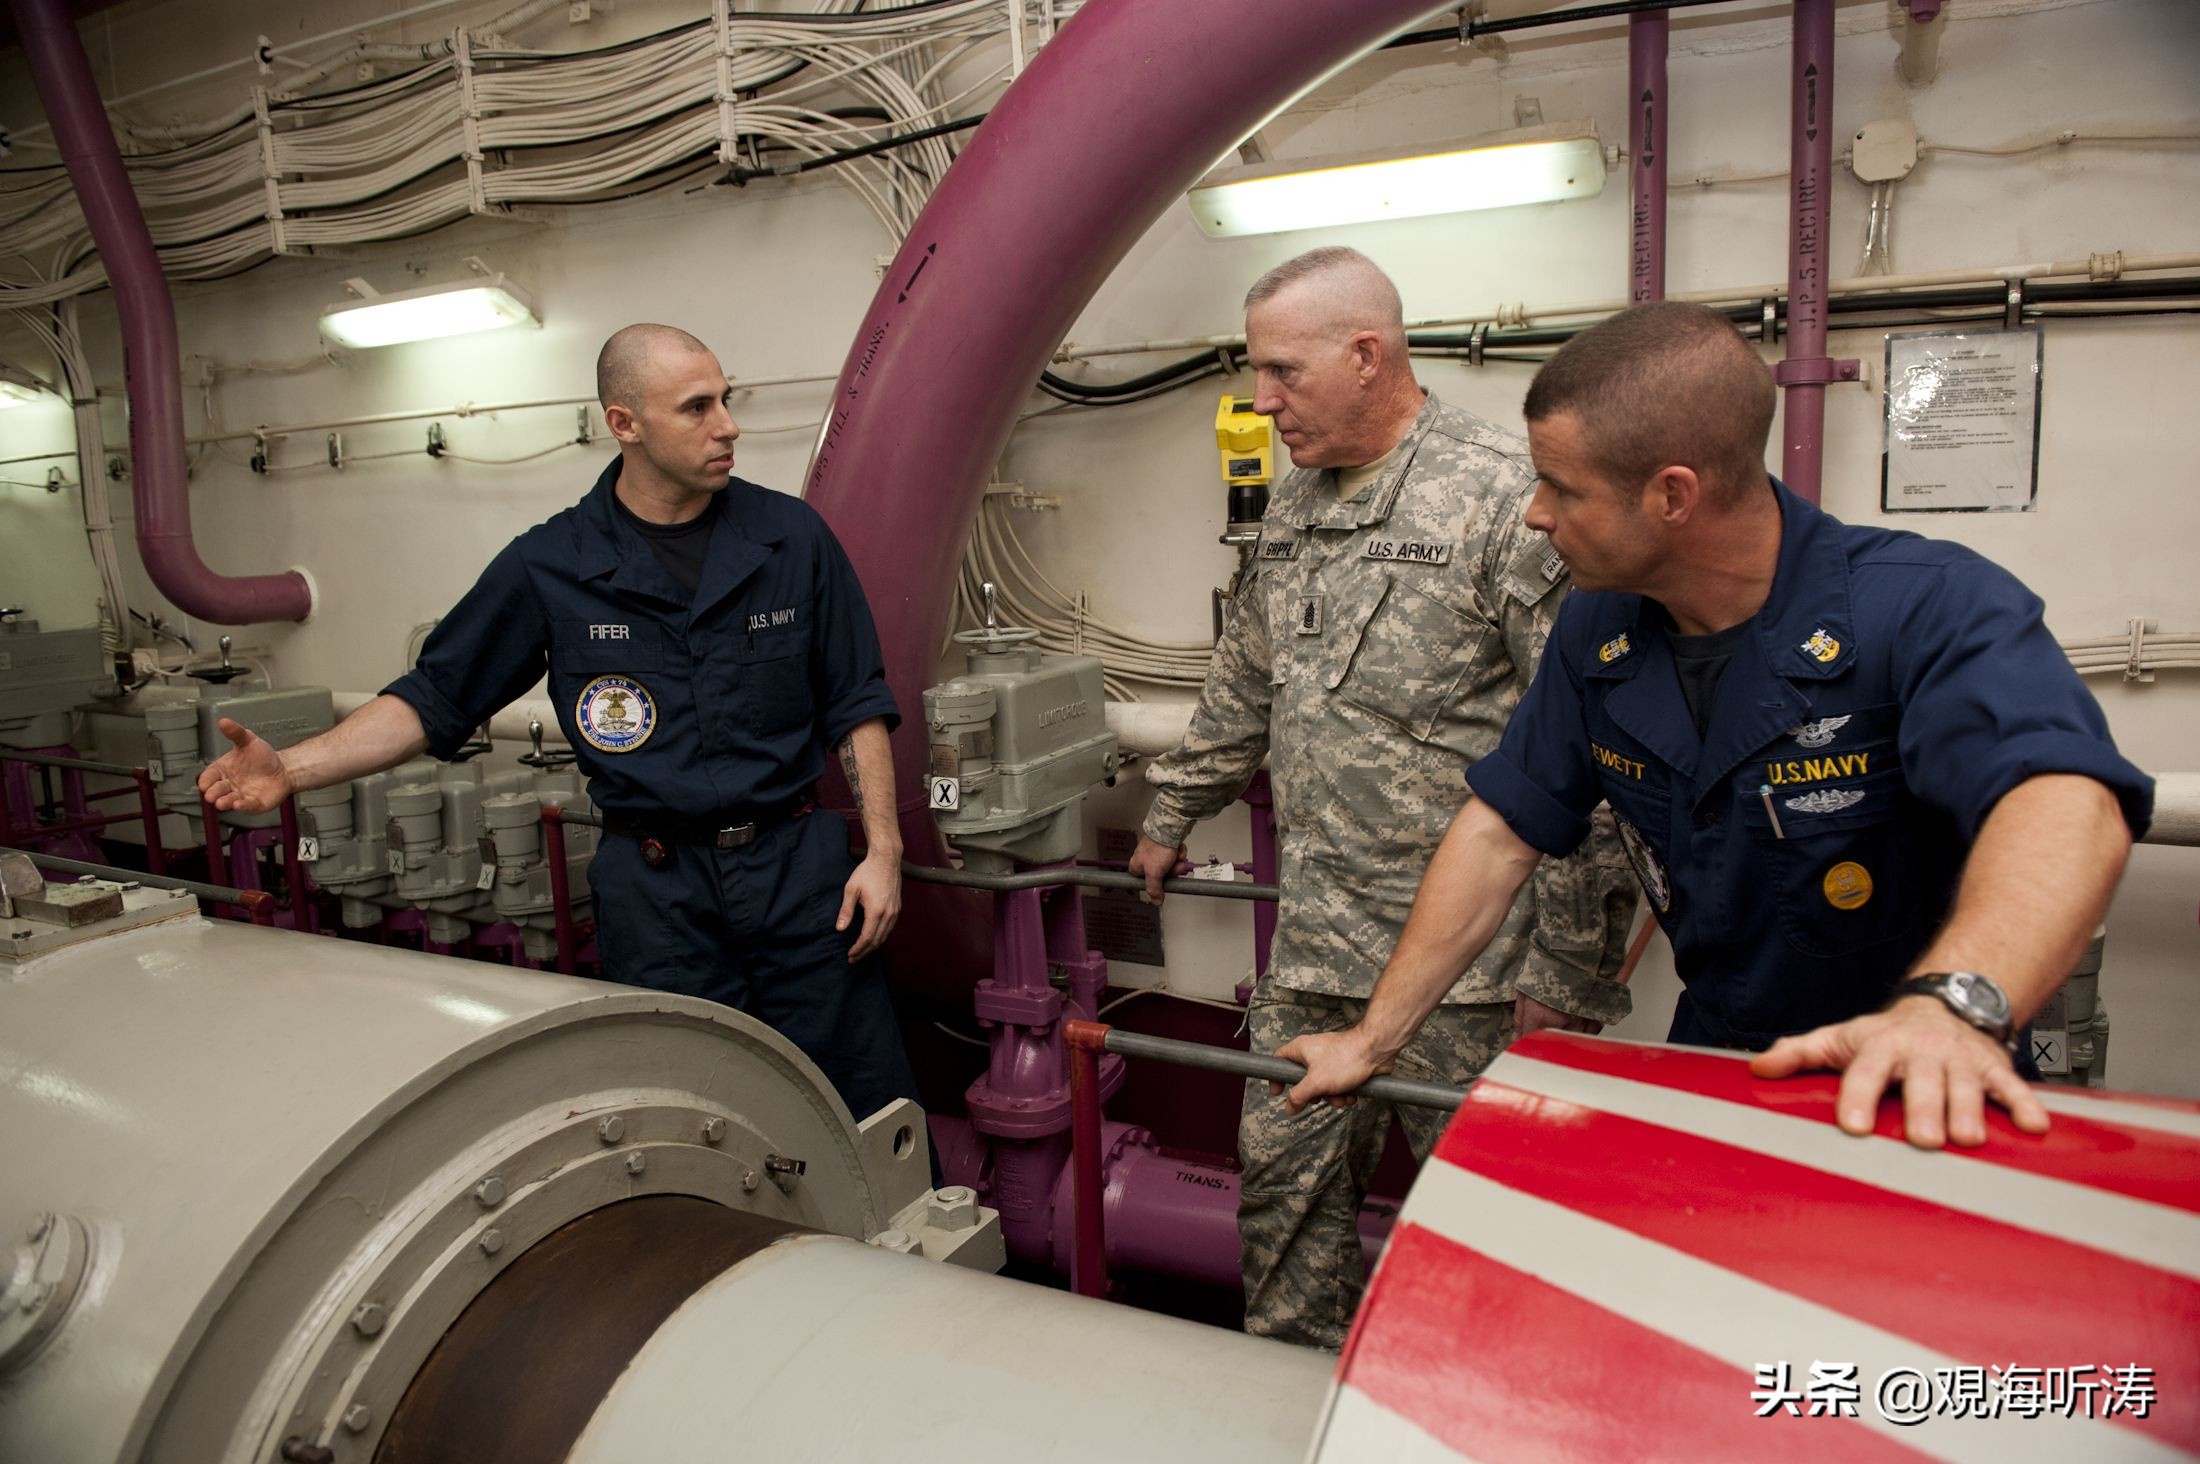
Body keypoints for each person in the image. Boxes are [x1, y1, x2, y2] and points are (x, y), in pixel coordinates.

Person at [1277, 300, 2153, 1151]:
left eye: (1563, 488)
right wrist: (1374, 1037)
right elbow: (1503, 828)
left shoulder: (1925, 607)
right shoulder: (1604, 629)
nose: (1537, 514)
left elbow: (2067, 801)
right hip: (1723, 1071)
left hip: (1918, 1085)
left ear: (1673, 496)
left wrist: (1954, 1008)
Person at [198, 323, 918, 1122]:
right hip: (657, 891)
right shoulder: (552, 566)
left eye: (727, 399)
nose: (728, 425)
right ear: (624, 424)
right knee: (691, 1111)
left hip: (799, 875)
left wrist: (884, 851)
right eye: (697, 407)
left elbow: (857, 701)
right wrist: (290, 770)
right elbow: (434, 697)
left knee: (863, 1101)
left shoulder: (793, 540)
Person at [1126, 248, 1638, 1350]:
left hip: (1474, 978)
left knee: (1498, 1243)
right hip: (1315, 953)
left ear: (1368, 356)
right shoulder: (1295, 508)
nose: (1260, 403)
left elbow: (1595, 760)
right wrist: (1172, 812)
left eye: (1281, 372)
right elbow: (1248, 678)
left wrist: (1568, 980)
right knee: (1285, 1210)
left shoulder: (1506, 501)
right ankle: (1296, 1412)